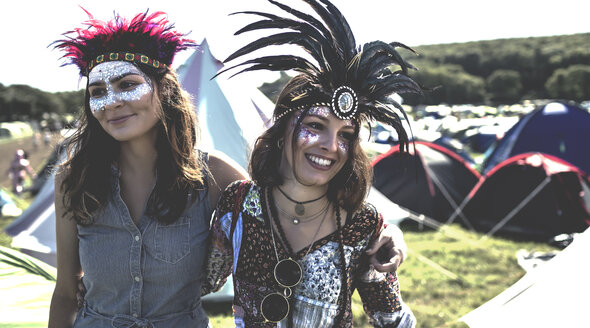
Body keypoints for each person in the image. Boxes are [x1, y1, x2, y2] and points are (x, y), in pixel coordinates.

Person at [48, 8, 407, 328]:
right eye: (97, 91)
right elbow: (66, 293)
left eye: (127, 85)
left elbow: (282, 204)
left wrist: (387, 232)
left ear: (163, 89)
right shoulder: (73, 179)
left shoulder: (215, 176)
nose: (112, 103)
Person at [203, 0, 424, 327]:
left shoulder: (362, 224)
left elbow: (393, 320)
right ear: (282, 131)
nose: (331, 146)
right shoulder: (239, 205)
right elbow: (201, 283)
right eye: (316, 126)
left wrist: (390, 234)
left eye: (346, 135)